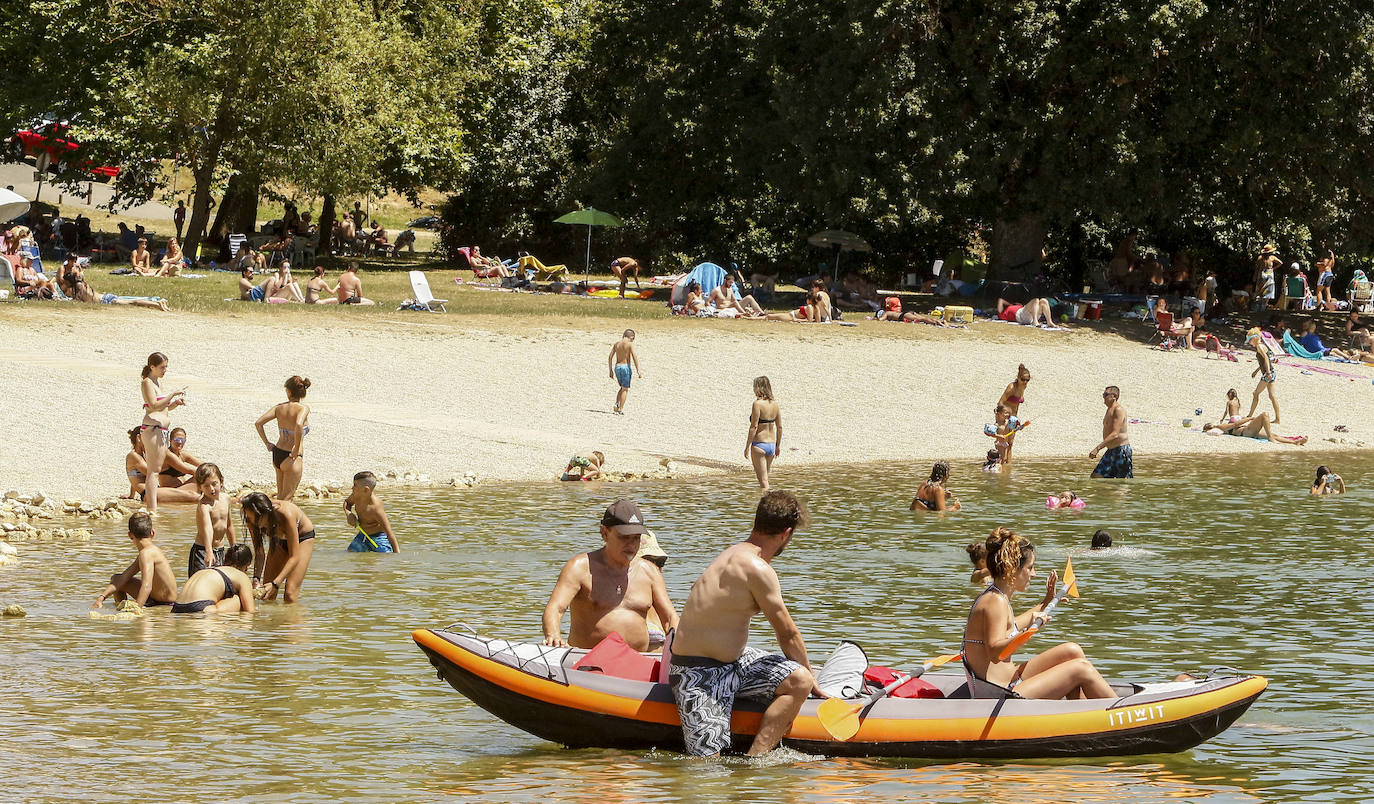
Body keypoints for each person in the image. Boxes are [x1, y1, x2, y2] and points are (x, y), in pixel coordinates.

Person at [669, 491, 821, 757]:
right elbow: (787, 634)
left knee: (799, 680)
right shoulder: (757, 569)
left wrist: (806, 678)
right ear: (786, 534)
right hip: (698, 673)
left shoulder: (733, 553)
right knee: (707, 769)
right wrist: (816, 685)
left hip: (736, 662)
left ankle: (755, 762)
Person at [962, 527, 1113, 699]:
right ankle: (1120, 710)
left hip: (1011, 679)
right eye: (1030, 567)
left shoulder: (996, 596)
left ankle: (1084, 712)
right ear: (1012, 568)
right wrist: (1028, 633)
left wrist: (1046, 602)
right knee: (1081, 668)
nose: (1034, 574)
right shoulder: (994, 601)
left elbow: (1012, 626)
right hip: (998, 693)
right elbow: (995, 653)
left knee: (1072, 651)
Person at [541, 499, 678, 651]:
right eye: (624, 537)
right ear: (605, 533)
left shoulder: (650, 572)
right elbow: (555, 609)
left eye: (636, 538)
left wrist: (681, 648)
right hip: (587, 658)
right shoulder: (579, 567)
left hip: (639, 659)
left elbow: (670, 618)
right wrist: (553, 635)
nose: (631, 545)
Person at [91, 513, 178, 609]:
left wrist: (136, 610)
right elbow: (122, 578)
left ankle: (126, 610)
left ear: (130, 535)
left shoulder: (146, 554)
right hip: (155, 599)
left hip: (165, 605)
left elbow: (147, 586)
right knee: (116, 579)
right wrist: (101, 598)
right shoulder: (148, 552)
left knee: (119, 582)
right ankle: (120, 608)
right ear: (152, 533)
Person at [240, 492, 315, 603]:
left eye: (255, 519)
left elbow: (294, 557)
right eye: (248, 517)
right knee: (267, 594)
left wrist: (275, 584)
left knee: (290, 594)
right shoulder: (251, 521)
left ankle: (294, 614)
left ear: (265, 513)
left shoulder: (286, 514)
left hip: (302, 538)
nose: (251, 522)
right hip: (279, 540)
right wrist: (256, 578)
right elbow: (259, 553)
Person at [139, 352, 187, 513]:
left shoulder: (158, 382)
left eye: (166, 367)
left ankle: (153, 507)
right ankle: (152, 509)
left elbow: (164, 407)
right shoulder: (147, 382)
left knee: (155, 470)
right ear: (152, 367)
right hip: (152, 428)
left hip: (161, 429)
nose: (165, 370)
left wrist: (175, 403)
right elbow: (153, 406)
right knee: (153, 471)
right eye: (162, 367)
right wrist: (172, 394)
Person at [255, 376, 311, 500]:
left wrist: (267, 443)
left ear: (288, 391)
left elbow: (258, 423)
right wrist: (296, 447)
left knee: (280, 498)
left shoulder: (279, 408)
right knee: (287, 500)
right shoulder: (303, 408)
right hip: (292, 457)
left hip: (277, 453)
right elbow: (298, 424)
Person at [122, 428, 200, 505]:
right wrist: (168, 462)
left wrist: (131, 495)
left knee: (198, 485)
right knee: (193, 496)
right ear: (139, 438)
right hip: (149, 493)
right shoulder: (133, 456)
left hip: (156, 490)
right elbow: (151, 473)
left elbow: (136, 477)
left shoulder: (142, 456)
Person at [173, 544, 257, 614]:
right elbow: (250, 611)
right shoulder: (241, 576)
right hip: (202, 609)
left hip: (177, 608)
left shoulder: (208, 570)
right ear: (248, 566)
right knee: (240, 599)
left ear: (224, 559)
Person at [59, 259, 171, 310]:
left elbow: (77, 302)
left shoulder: (78, 287)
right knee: (132, 302)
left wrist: (62, 300)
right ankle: (157, 303)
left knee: (133, 302)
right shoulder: (81, 283)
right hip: (106, 297)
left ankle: (157, 304)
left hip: (106, 301)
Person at [190, 463, 235, 576]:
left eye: (214, 484)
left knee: (221, 582)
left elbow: (229, 526)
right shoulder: (204, 506)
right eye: (206, 486)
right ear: (200, 487)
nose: (211, 489)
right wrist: (209, 551)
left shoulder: (226, 499)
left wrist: (234, 547)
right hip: (202, 550)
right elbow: (208, 528)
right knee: (199, 583)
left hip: (220, 550)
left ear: (221, 481)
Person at [345, 471, 400, 553]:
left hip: (379, 538)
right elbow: (347, 502)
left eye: (355, 485)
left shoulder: (376, 509)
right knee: (350, 553)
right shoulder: (356, 495)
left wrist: (397, 554)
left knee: (386, 556)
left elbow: (389, 532)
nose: (352, 488)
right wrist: (349, 514)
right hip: (363, 535)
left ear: (366, 489)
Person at [745, 376, 782, 489]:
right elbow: (779, 427)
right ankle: (766, 498)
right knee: (765, 479)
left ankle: (767, 499)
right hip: (771, 445)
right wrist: (778, 446)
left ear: (758, 388)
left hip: (759, 444)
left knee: (763, 482)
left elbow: (754, 426)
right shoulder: (775, 404)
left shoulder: (757, 404)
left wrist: (747, 446)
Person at [1089, 385, 1131, 478]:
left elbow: (1115, 434)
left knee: (1123, 482)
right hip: (1111, 450)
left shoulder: (1118, 410)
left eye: (1106, 394)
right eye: (1103, 394)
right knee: (1096, 476)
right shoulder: (1109, 409)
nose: (1103, 397)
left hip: (1121, 450)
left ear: (1114, 396)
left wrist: (1097, 449)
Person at [1245, 327, 1280, 423]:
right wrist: (1256, 371)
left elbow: (1265, 359)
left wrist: (1267, 372)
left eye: (1250, 340)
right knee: (1272, 396)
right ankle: (1277, 419)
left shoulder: (1259, 347)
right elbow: (1265, 361)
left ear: (1254, 338)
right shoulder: (1263, 346)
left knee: (1256, 393)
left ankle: (1250, 415)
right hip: (1271, 372)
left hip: (1268, 373)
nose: (1250, 343)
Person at [1203, 413, 1307, 444]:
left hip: (1249, 431)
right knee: (1265, 415)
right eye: (1210, 424)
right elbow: (1235, 425)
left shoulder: (1219, 428)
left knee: (1274, 435)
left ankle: (1295, 442)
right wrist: (1250, 418)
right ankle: (1270, 438)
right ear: (1210, 426)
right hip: (1246, 431)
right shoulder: (1220, 427)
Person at [608, 329, 641, 414]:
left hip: (617, 367)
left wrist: (610, 370)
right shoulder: (629, 344)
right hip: (625, 367)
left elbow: (610, 357)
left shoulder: (617, 344)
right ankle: (620, 409)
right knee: (625, 389)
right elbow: (634, 356)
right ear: (631, 337)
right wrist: (638, 370)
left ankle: (617, 404)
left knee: (622, 387)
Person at [1315, 244, 1336, 309]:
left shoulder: (1326, 255)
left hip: (1324, 274)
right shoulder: (1332, 255)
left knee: (1318, 290)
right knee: (1327, 291)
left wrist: (1317, 264)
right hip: (1330, 274)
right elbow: (1332, 265)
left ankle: (1319, 306)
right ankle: (1328, 307)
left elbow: (1324, 264)